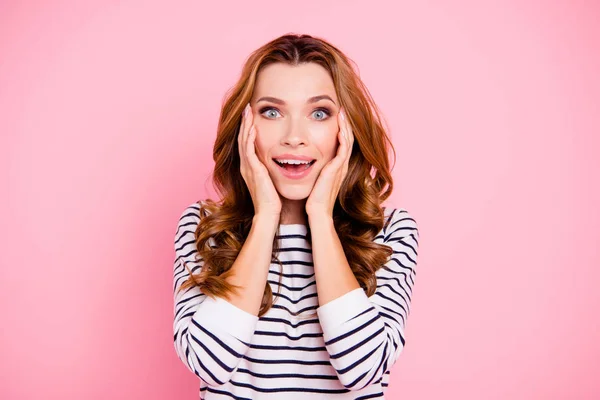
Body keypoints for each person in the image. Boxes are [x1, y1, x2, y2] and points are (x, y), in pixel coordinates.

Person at [173, 33, 420, 399]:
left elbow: (362, 369)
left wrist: (319, 215)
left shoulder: (390, 233)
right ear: (246, 127)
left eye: (319, 113)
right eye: (271, 112)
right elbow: (210, 362)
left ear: (345, 128)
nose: (294, 137)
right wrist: (266, 216)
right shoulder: (203, 228)